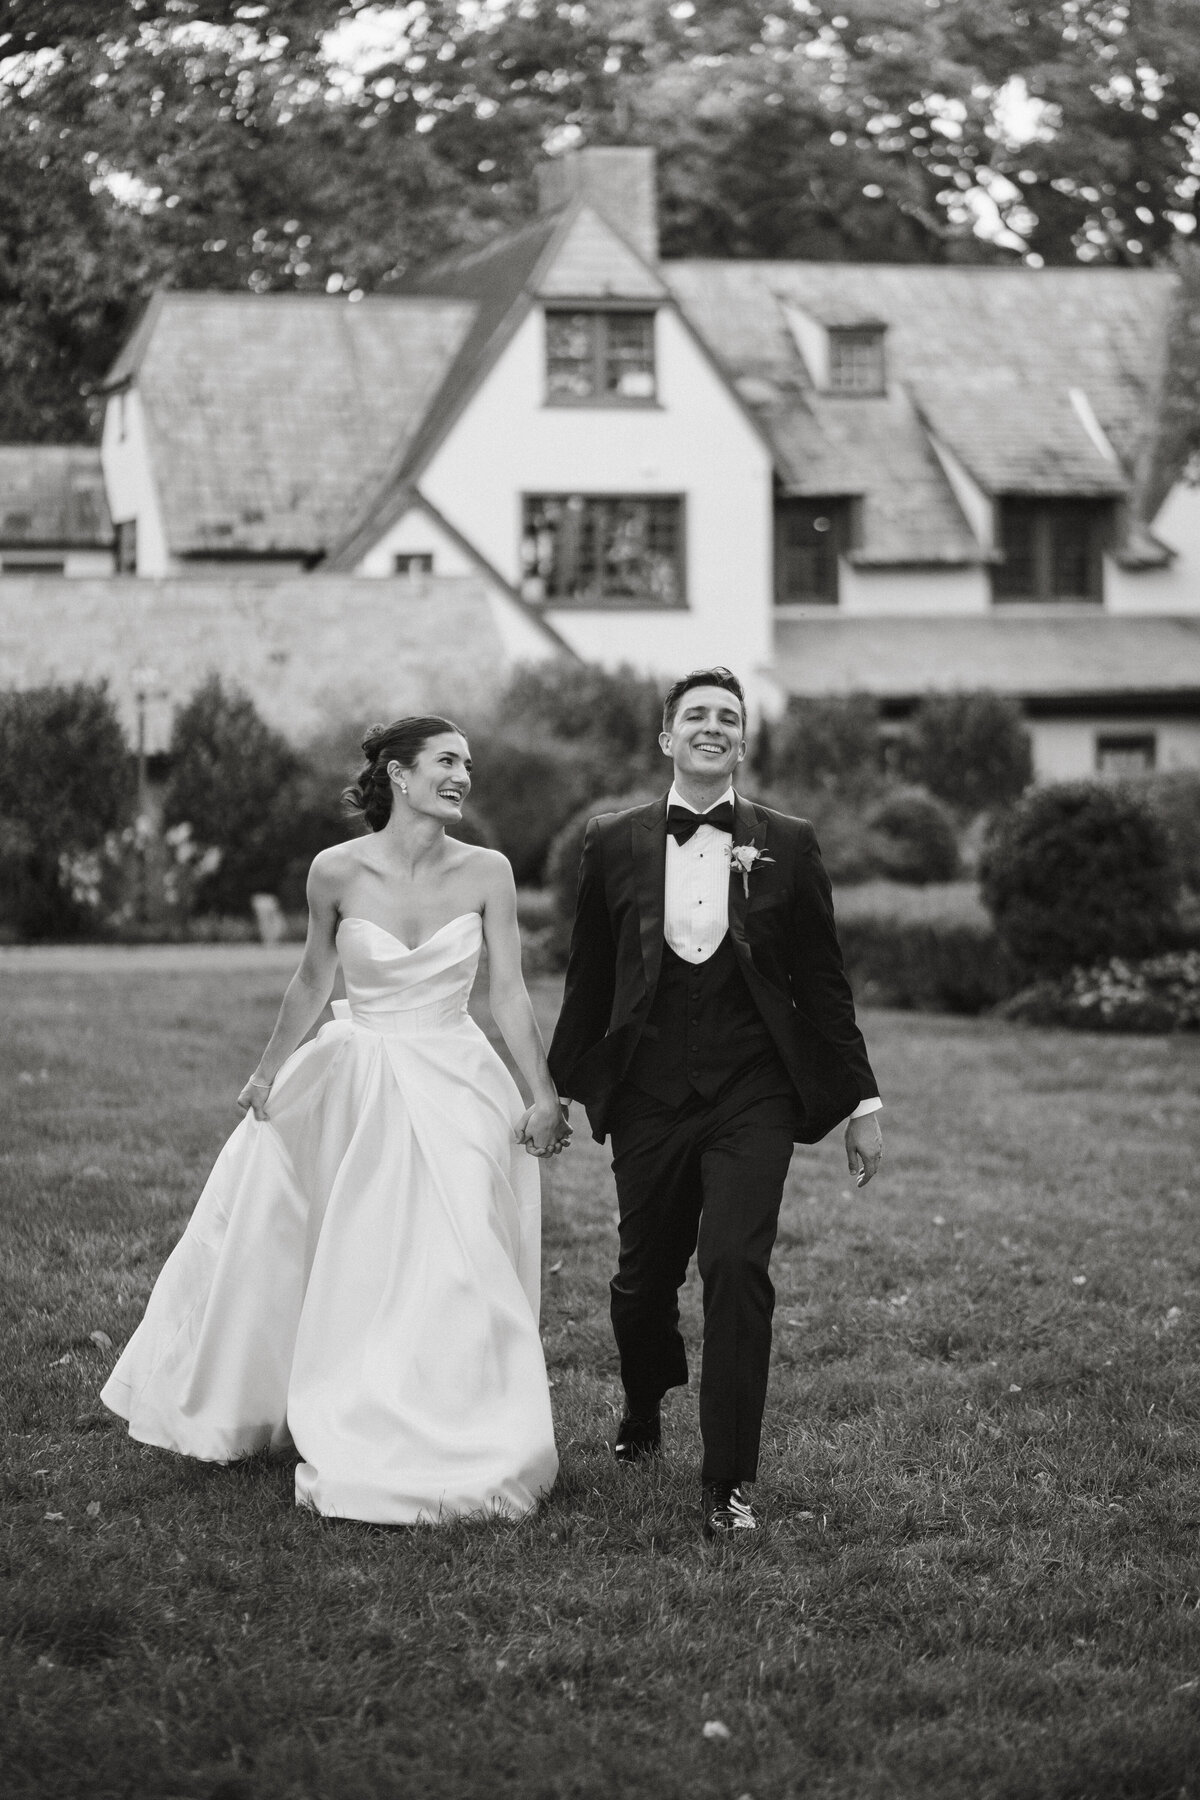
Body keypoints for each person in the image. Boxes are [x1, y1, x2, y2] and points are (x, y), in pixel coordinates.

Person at [102, 716, 567, 1524]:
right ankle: (357, 1395)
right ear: (398, 773)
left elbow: (509, 993)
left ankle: (471, 1419)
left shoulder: (488, 871)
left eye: (468, 765)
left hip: (456, 1078)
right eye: (447, 762)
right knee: (362, 1249)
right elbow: (313, 977)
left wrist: (543, 1091)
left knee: (462, 1250)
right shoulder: (335, 871)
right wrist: (267, 1069)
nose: (463, 777)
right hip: (360, 1077)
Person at [547, 667, 882, 1540]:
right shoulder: (613, 840)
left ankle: (726, 1482)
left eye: (728, 717)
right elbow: (589, 976)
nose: (712, 726)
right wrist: (557, 1086)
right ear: (666, 738)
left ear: (743, 740)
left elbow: (824, 980)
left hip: (753, 1090)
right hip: (651, 1091)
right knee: (642, 1280)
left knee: (736, 1266)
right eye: (695, 715)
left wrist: (863, 1099)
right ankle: (644, 1400)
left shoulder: (791, 843)